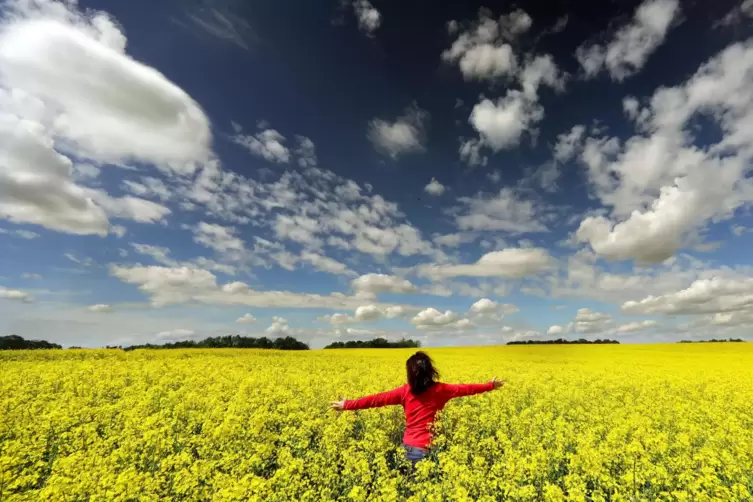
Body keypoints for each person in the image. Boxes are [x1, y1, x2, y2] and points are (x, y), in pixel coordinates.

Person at [329, 351, 504, 469]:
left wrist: (347, 405)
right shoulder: (442, 390)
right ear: (430, 371)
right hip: (426, 450)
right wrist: (490, 385)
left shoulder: (404, 391)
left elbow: (376, 399)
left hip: (406, 449)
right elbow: (467, 388)